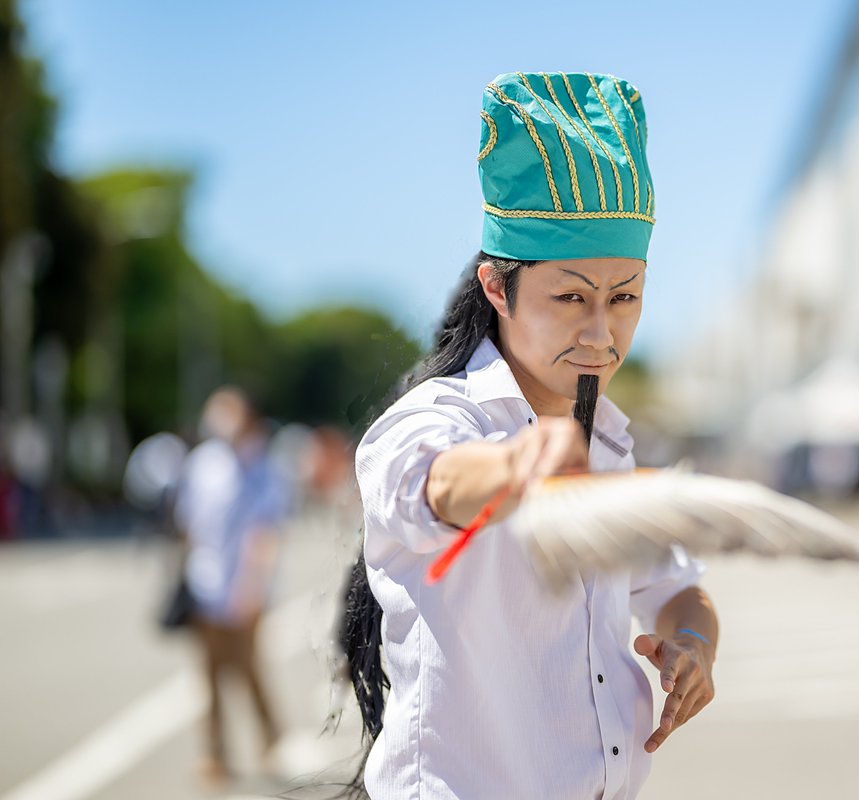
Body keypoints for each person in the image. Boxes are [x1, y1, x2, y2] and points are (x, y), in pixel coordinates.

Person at [342, 72, 719, 799]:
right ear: (497, 287)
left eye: (625, 297)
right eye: (572, 296)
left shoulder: (608, 443)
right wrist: (517, 466)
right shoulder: (437, 418)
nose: (602, 333)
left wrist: (694, 648)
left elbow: (679, 589)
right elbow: (436, 481)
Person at [176, 386, 289, 788]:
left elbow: (266, 532)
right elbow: (188, 522)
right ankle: (214, 753)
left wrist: (252, 585)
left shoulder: (264, 466)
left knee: (245, 667)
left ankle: (270, 735)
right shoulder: (203, 463)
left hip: (245, 589)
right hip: (203, 584)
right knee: (208, 674)